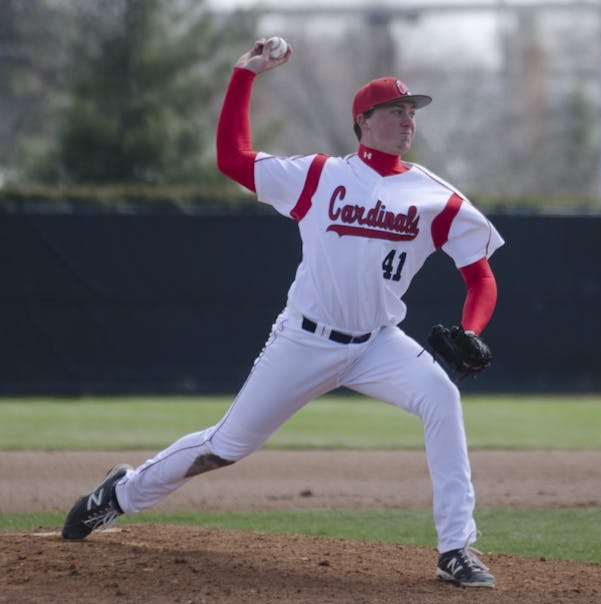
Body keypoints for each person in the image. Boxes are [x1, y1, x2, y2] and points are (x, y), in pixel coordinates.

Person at [62, 37, 504, 589]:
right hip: (305, 340)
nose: (407, 120)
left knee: (442, 397)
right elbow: (232, 159)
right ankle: (120, 494)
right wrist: (244, 75)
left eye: (411, 112)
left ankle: (456, 548)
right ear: (362, 121)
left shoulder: (435, 196)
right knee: (226, 446)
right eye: (395, 110)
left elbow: (479, 274)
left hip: (377, 343)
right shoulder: (319, 177)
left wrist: (472, 329)